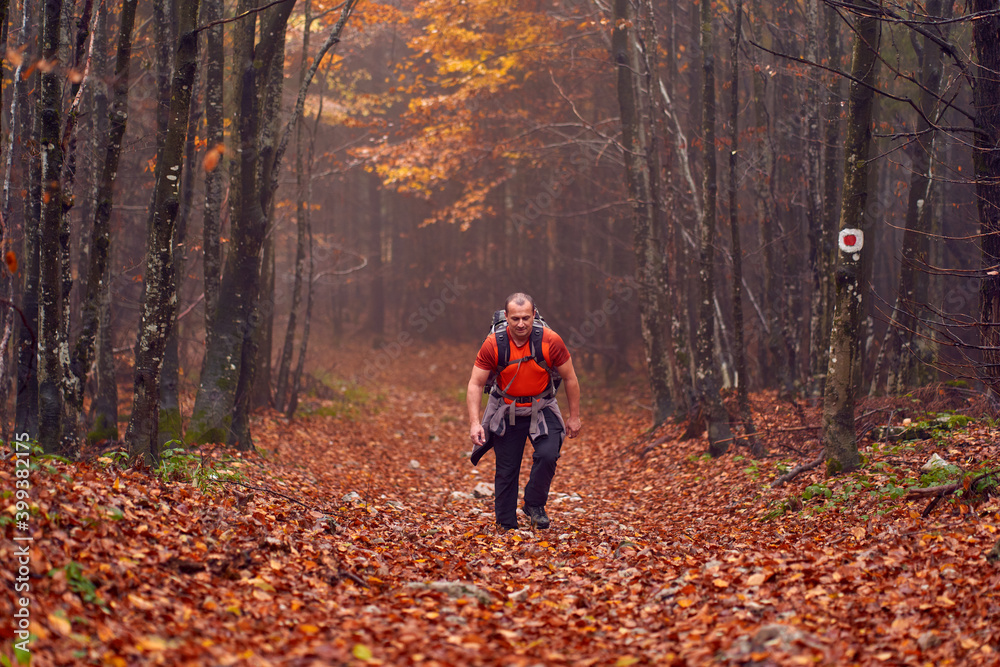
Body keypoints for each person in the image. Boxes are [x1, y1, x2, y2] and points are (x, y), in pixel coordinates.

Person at [466, 293, 581, 531]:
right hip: (506, 410)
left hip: (543, 406)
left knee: (548, 455)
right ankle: (506, 525)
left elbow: (570, 378)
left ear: (534, 316)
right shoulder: (494, 343)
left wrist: (574, 417)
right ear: (506, 317)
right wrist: (475, 423)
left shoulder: (550, 341)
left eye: (526, 318)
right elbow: (476, 384)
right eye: (515, 318)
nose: (521, 324)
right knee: (507, 469)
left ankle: (534, 504)